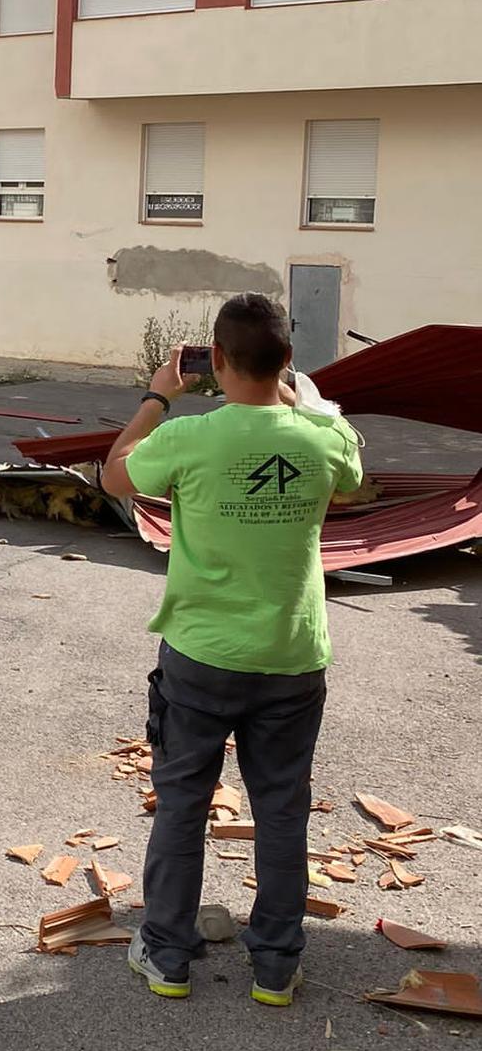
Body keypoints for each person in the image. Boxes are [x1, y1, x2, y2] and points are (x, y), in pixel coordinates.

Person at [100, 293, 363, 1007]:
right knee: (281, 807)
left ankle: (167, 955)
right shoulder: (322, 437)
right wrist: (299, 399)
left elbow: (114, 475)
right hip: (292, 655)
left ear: (213, 362)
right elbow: (349, 483)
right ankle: (276, 966)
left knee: (184, 802)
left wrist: (158, 398)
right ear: (288, 362)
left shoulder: (191, 438)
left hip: (201, 655)